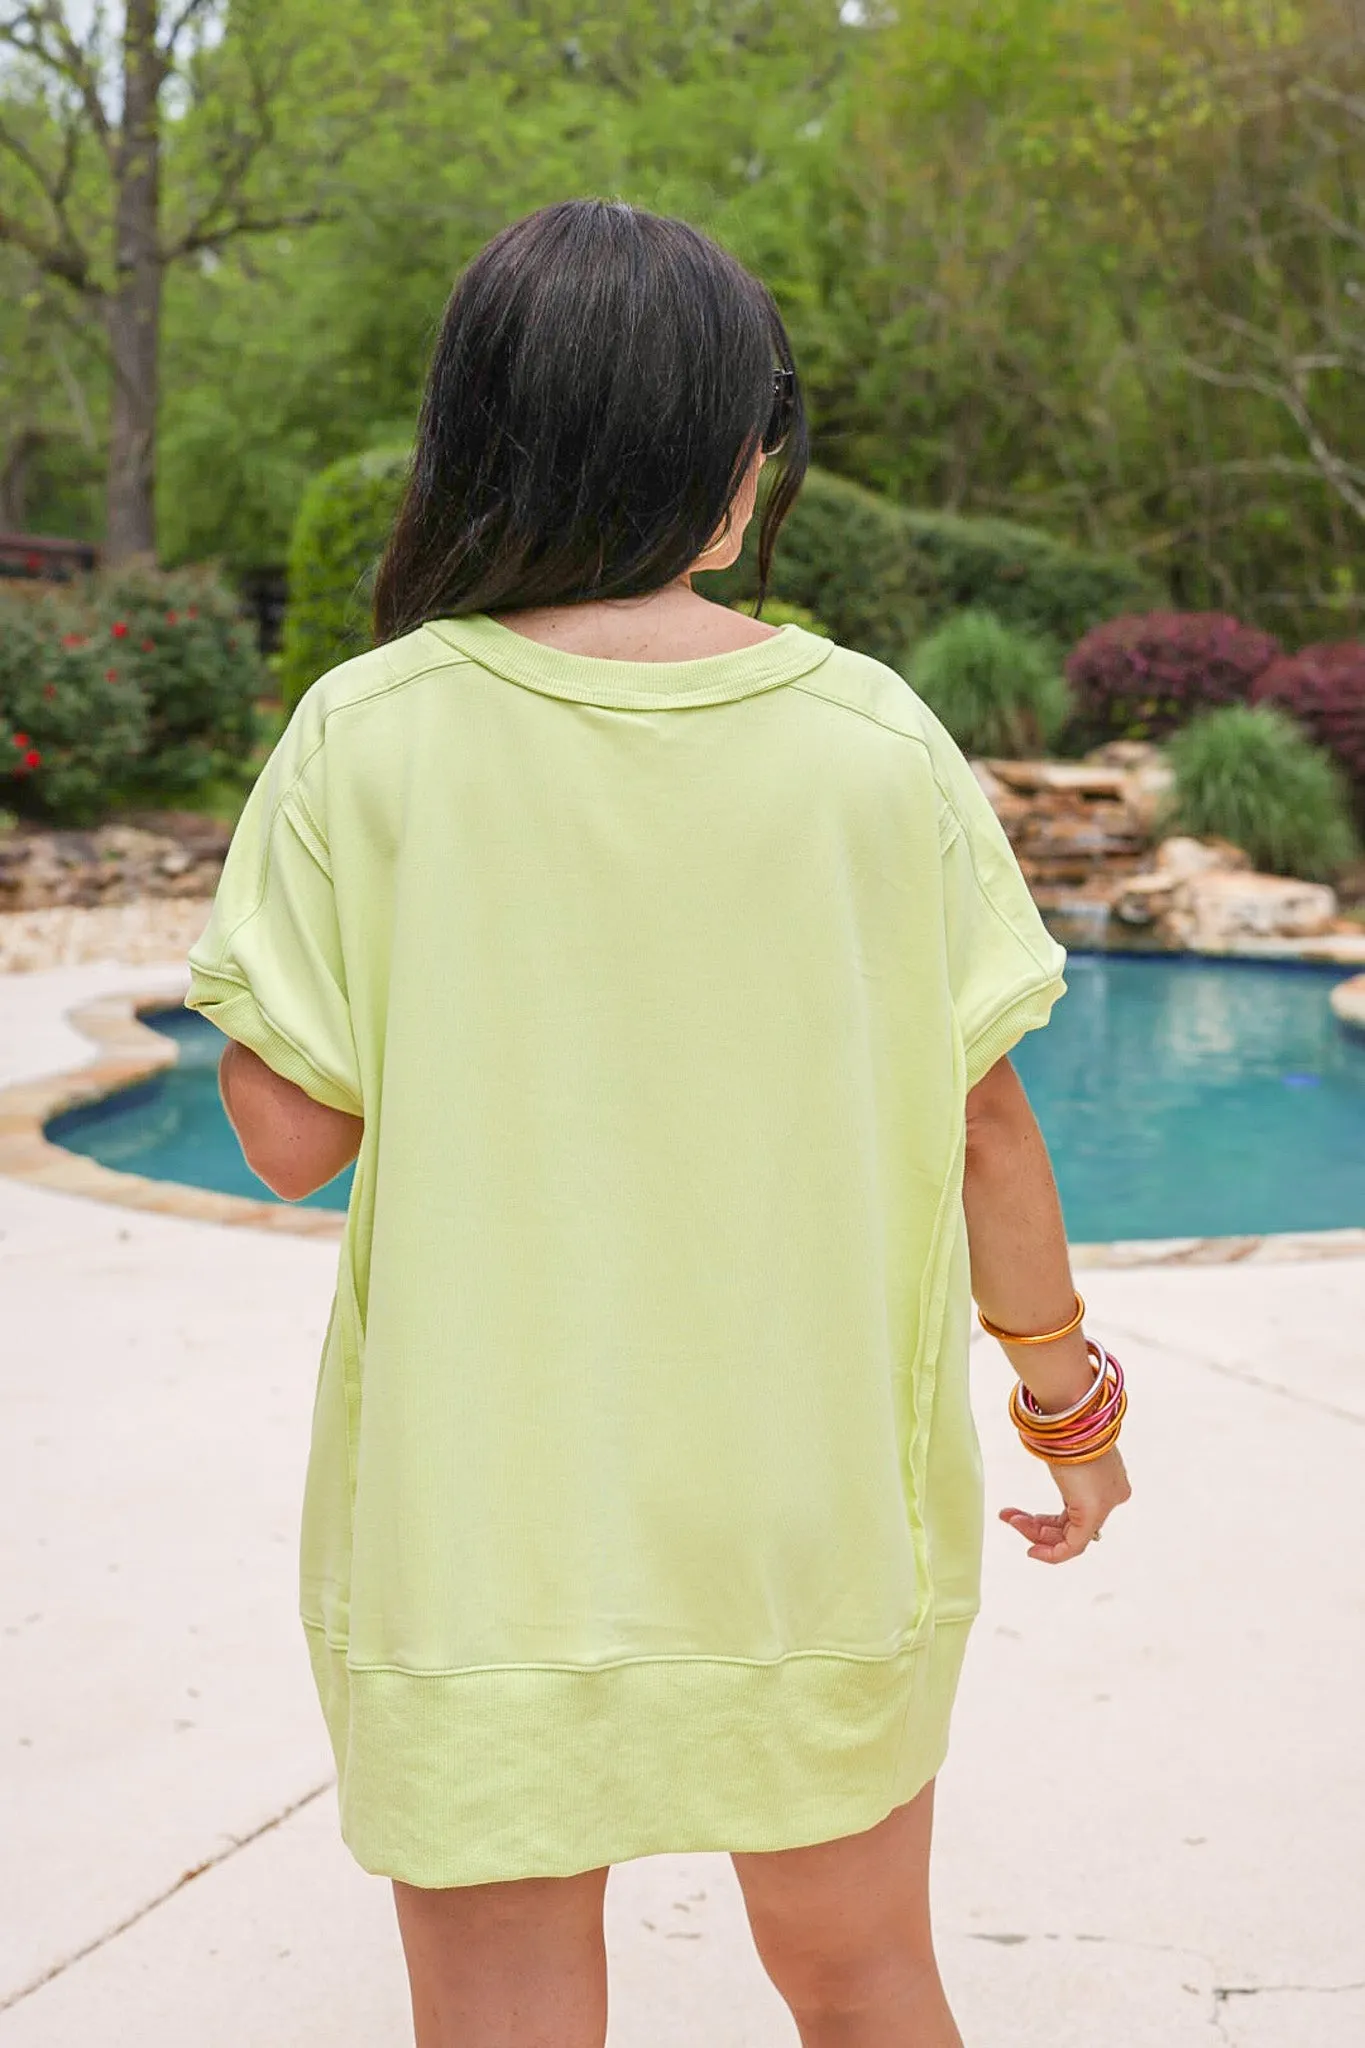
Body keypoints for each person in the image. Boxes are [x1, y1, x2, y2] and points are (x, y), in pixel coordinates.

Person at [188, 198, 1131, 2048]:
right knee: (865, 1984)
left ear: (477, 443)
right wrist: (1067, 1409)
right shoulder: (874, 740)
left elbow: (287, 1134)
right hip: (810, 1520)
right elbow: (990, 1135)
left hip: (488, 1537)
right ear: (736, 453)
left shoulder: (366, 735)